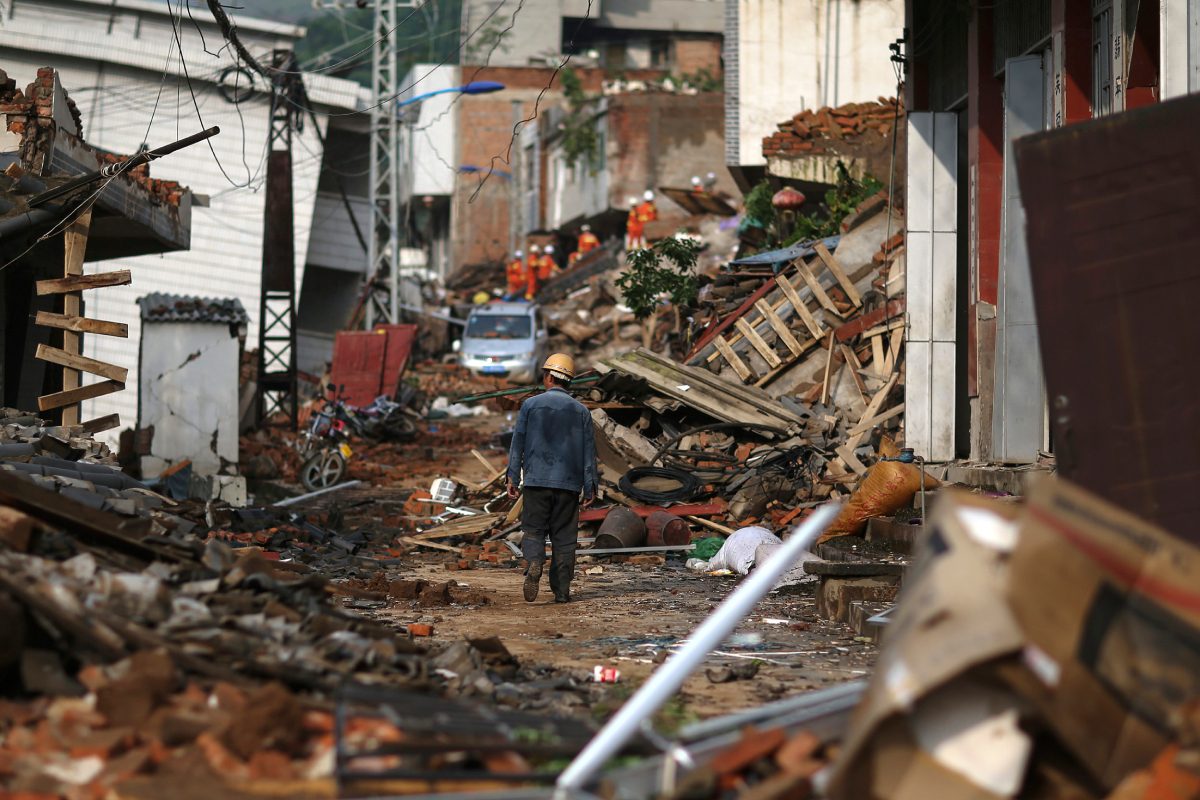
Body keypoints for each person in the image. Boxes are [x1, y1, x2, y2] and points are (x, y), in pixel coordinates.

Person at [506, 353, 597, 603]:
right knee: (565, 539)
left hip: (536, 481)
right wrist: (590, 486)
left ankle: (535, 562)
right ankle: (562, 591)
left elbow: (517, 444)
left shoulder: (530, 405)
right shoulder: (581, 411)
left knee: (534, 530)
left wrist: (512, 476)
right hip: (568, 485)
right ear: (569, 381)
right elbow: (589, 452)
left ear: (548, 377)